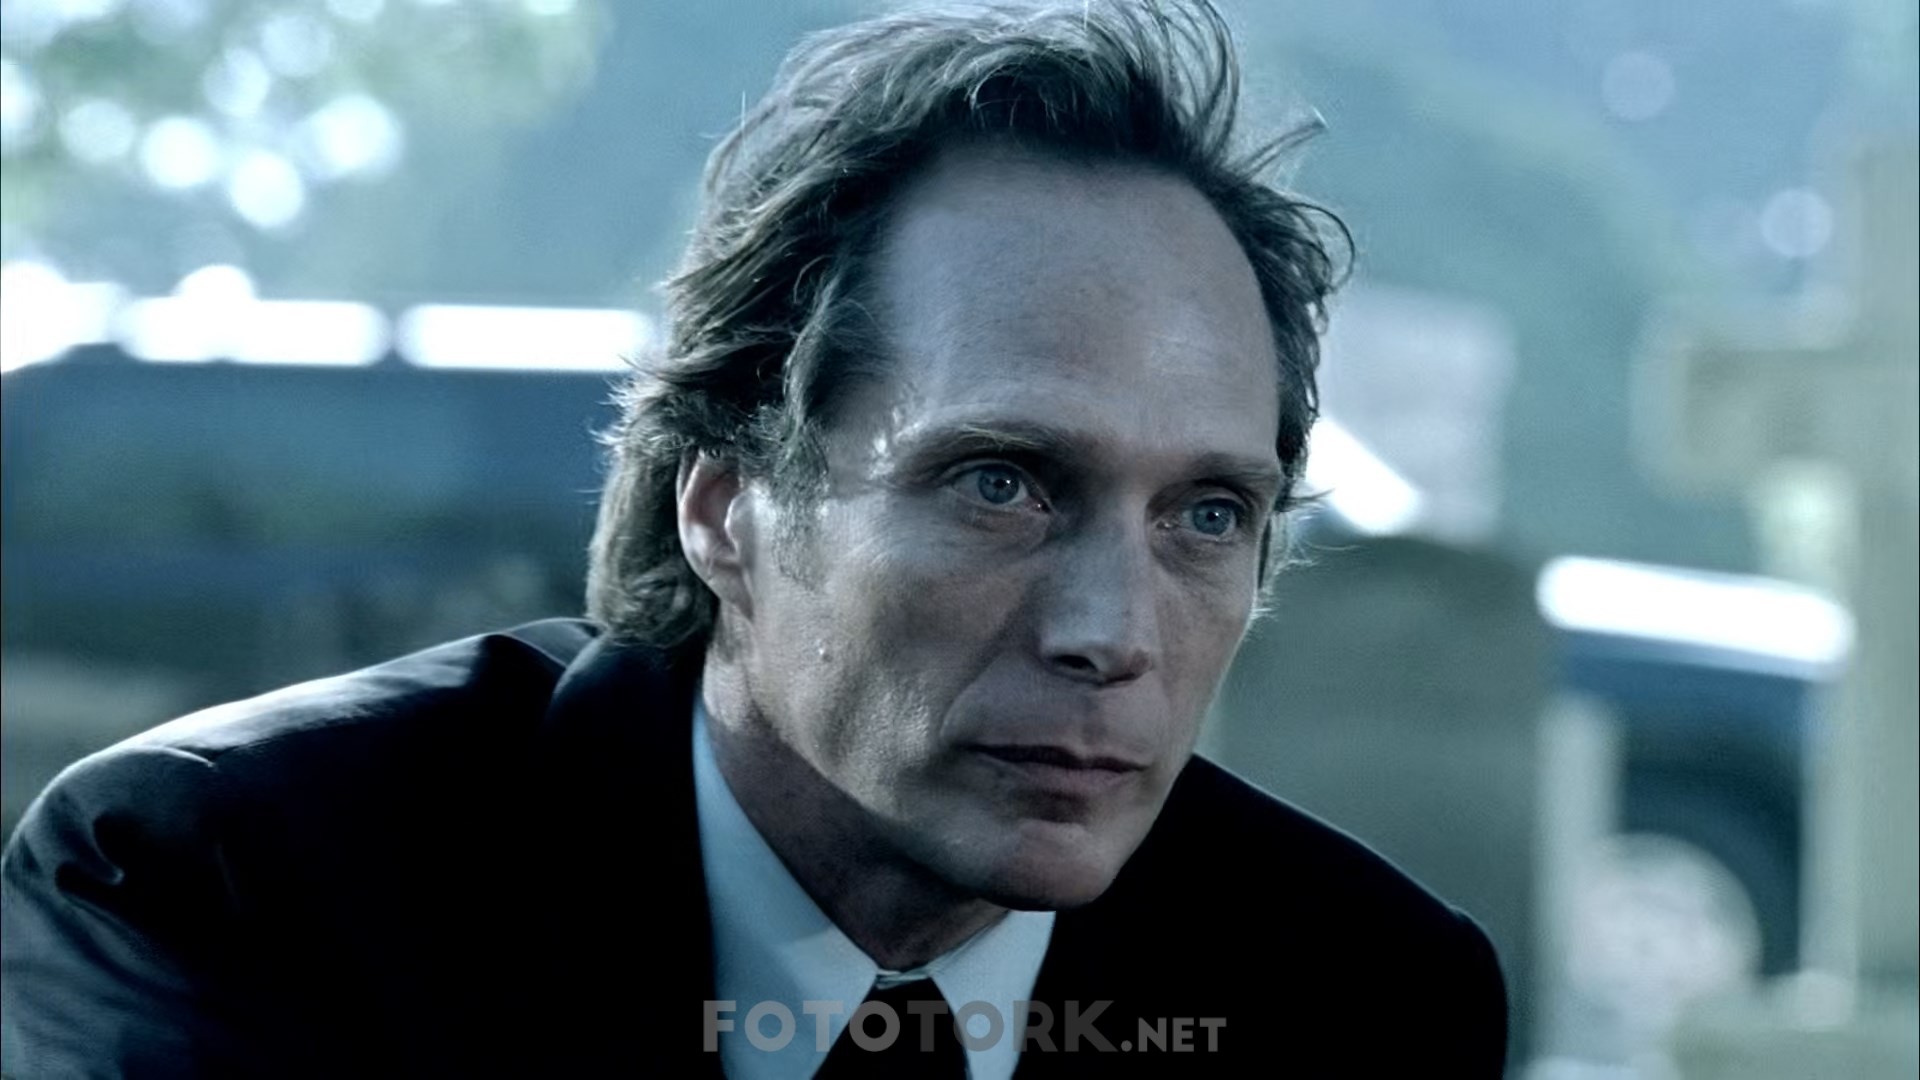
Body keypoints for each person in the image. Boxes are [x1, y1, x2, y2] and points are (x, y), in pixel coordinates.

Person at [0, 2, 1509, 1076]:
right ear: (725, 504)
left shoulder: (1362, 999)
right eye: (1002, 485)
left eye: (1206, 515)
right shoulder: (233, 883)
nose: (1111, 632)